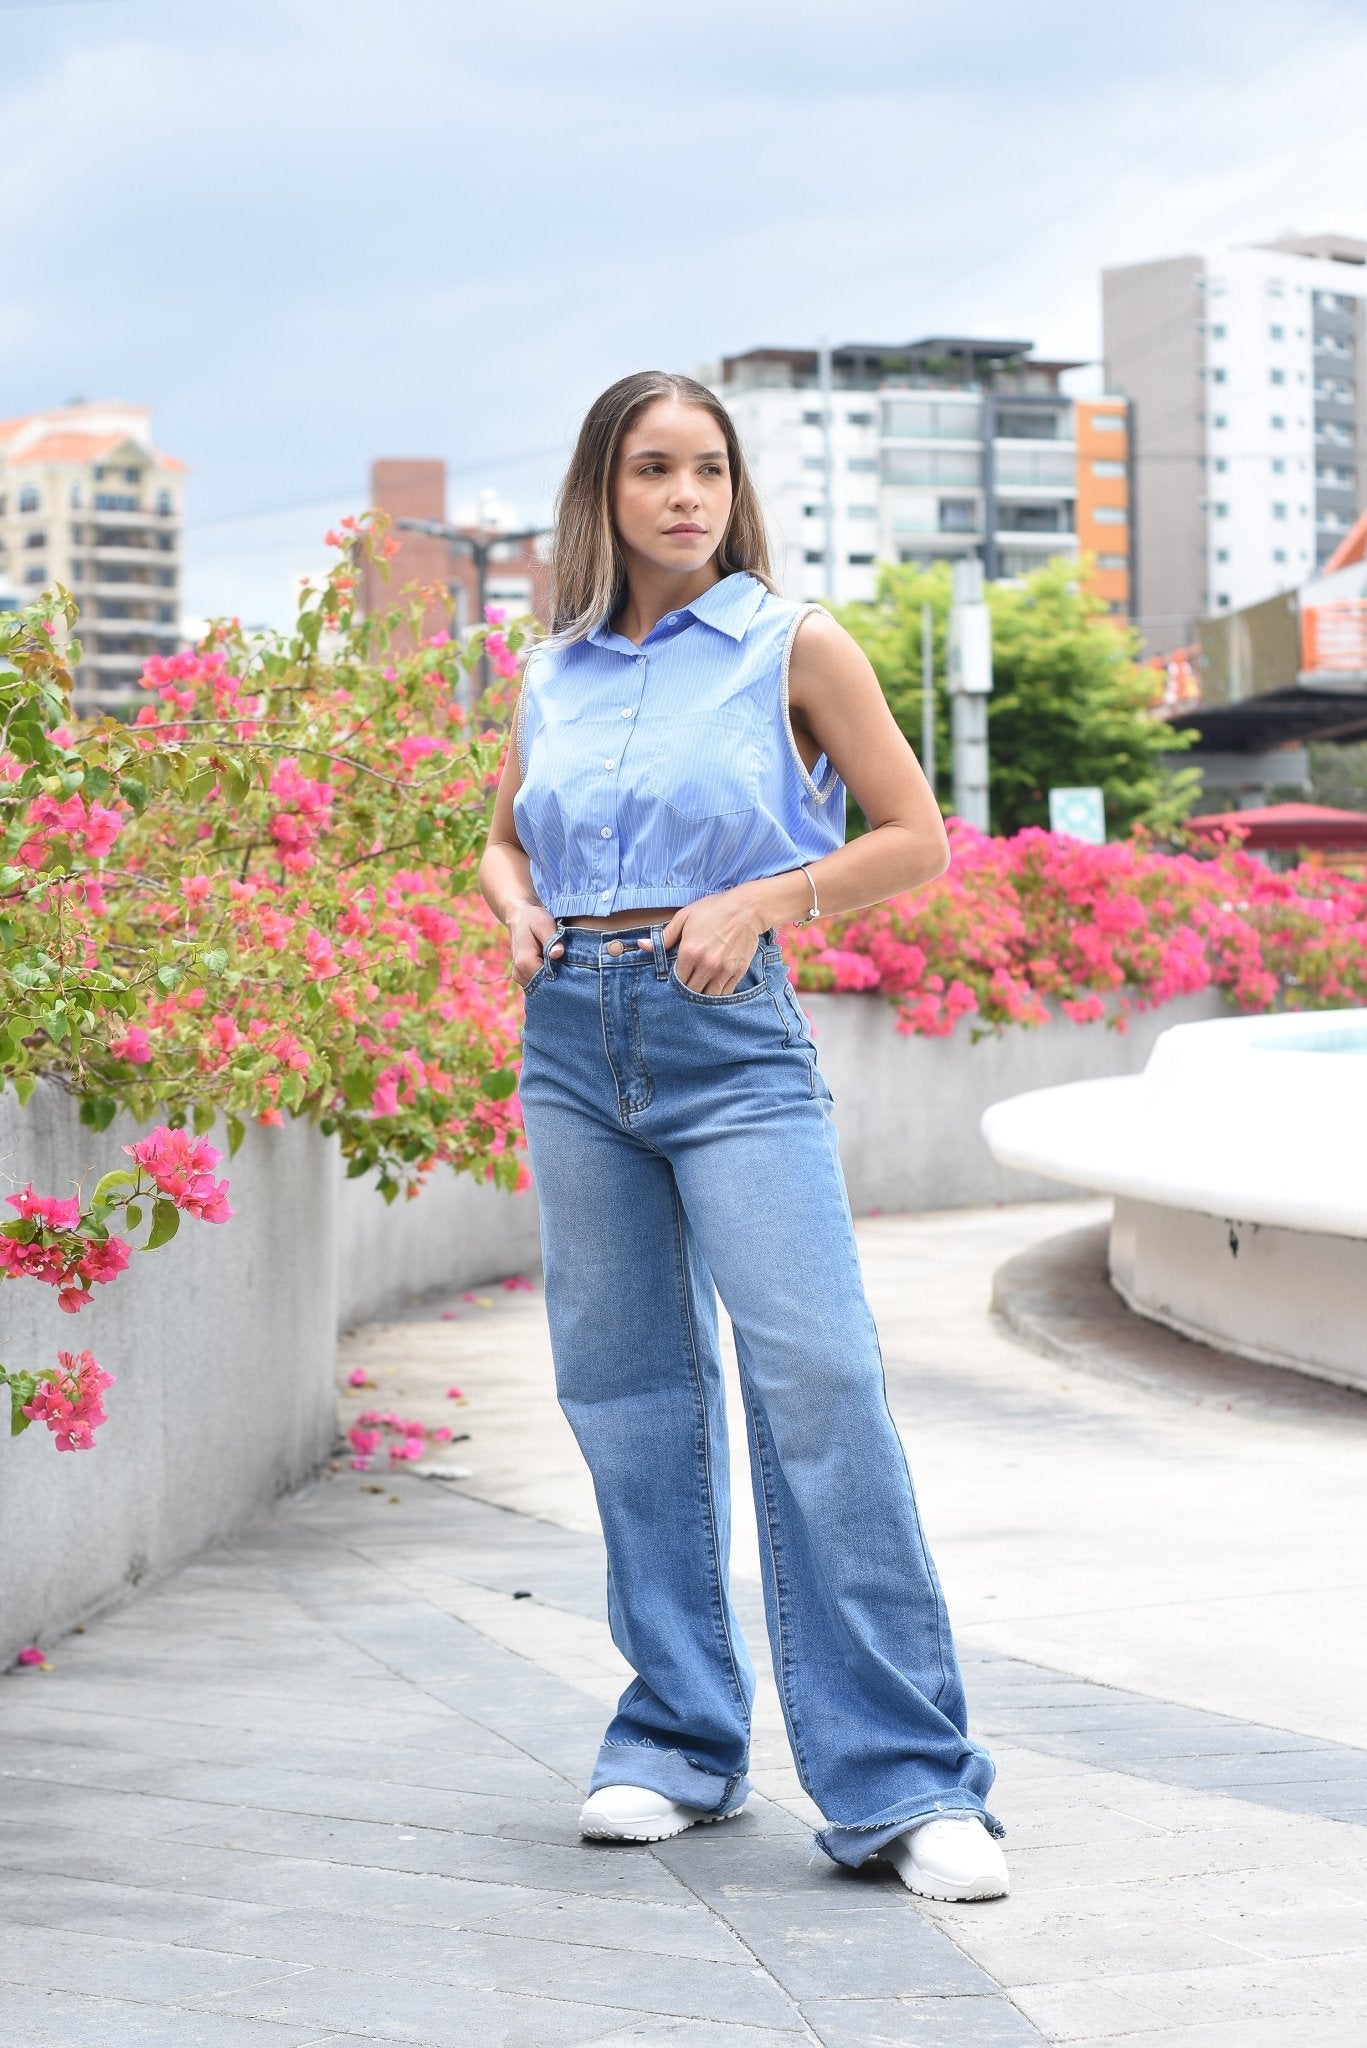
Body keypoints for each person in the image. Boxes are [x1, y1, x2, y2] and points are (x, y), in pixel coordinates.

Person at [478, 370, 1008, 1903]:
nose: (686, 495)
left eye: (708, 467)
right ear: (605, 491)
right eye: (653, 469)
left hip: (732, 1045)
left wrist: (767, 898)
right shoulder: (554, 669)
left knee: (820, 1376)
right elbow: (507, 828)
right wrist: (515, 905)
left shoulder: (795, 643)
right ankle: (676, 1741)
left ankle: (906, 1783)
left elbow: (915, 837)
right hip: (574, 1041)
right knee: (629, 1391)